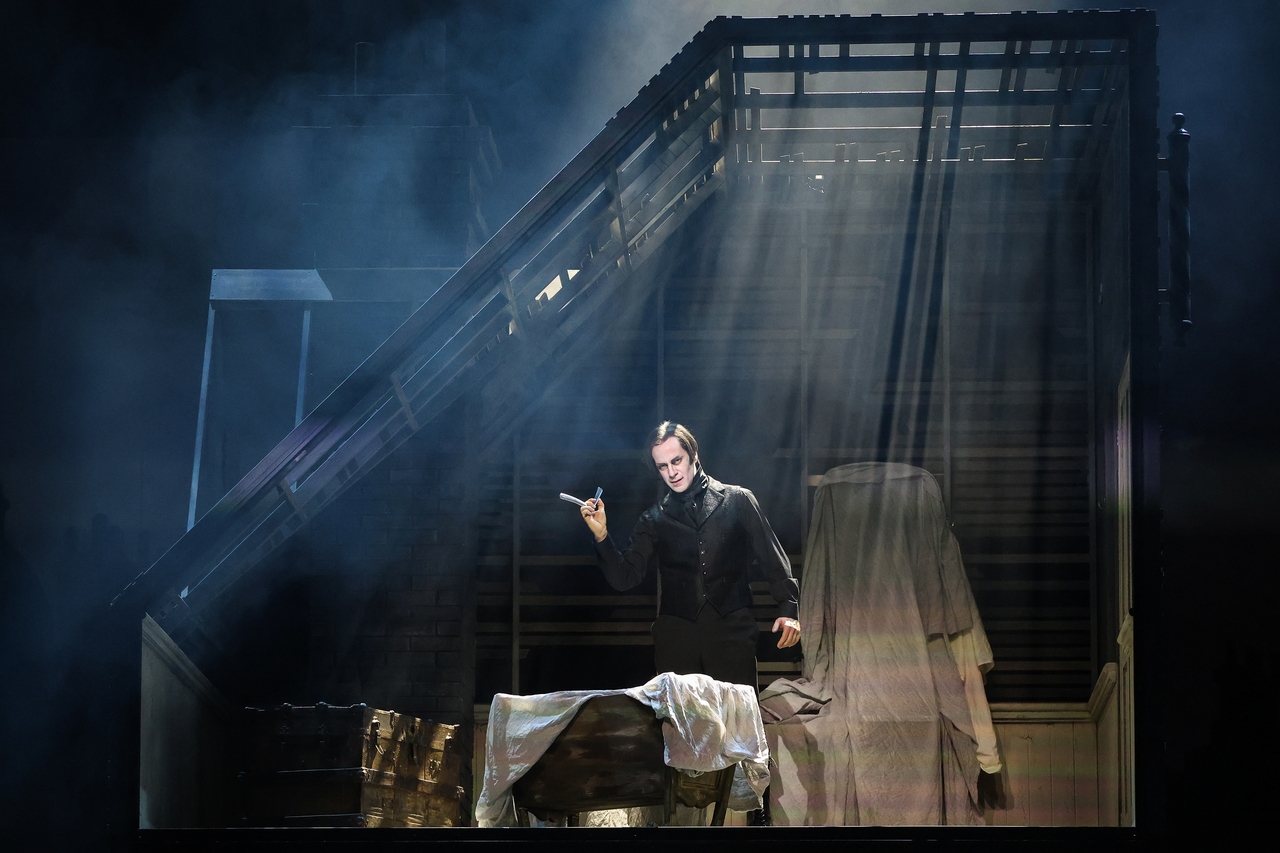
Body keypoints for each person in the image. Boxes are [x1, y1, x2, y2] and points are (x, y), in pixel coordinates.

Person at [580, 421, 800, 688]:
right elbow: (625, 578)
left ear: (694, 454)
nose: (672, 472)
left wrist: (789, 609)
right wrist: (602, 536)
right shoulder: (653, 519)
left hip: (732, 635)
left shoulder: (738, 500)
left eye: (677, 461)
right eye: (663, 466)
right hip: (677, 641)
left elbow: (772, 558)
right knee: (679, 716)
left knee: (736, 715)